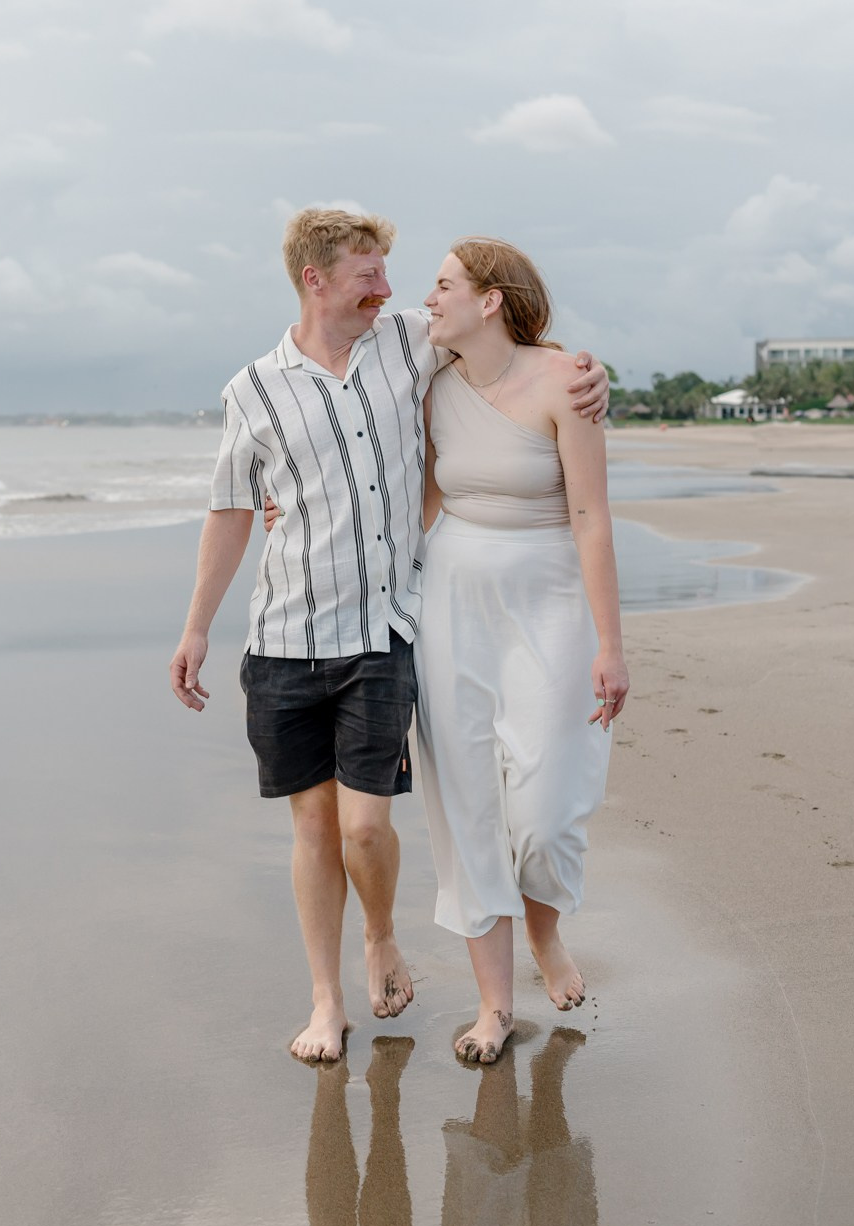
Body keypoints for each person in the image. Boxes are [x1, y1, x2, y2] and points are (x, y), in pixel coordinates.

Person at [169, 209, 611, 1063]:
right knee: (313, 828)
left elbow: (513, 344)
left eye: (391, 273)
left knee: (365, 829)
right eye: (369, 274)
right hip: (285, 633)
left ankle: (380, 934)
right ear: (317, 279)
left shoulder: (412, 343)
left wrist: (593, 372)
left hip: (384, 631)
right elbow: (229, 512)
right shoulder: (252, 391)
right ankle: (326, 1000)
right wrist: (196, 628)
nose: (389, 288)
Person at [415, 238, 628, 1064]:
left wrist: (611, 641)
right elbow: (419, 495)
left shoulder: (566, 379)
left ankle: (545, 927)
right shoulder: (431, 385)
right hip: (452, 603)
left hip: (549, 604)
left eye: (442, 286)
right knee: (468, 802)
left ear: (492, 298)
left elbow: (591, 516)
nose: (428, 300)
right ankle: (494, 1006)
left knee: (543, 809)